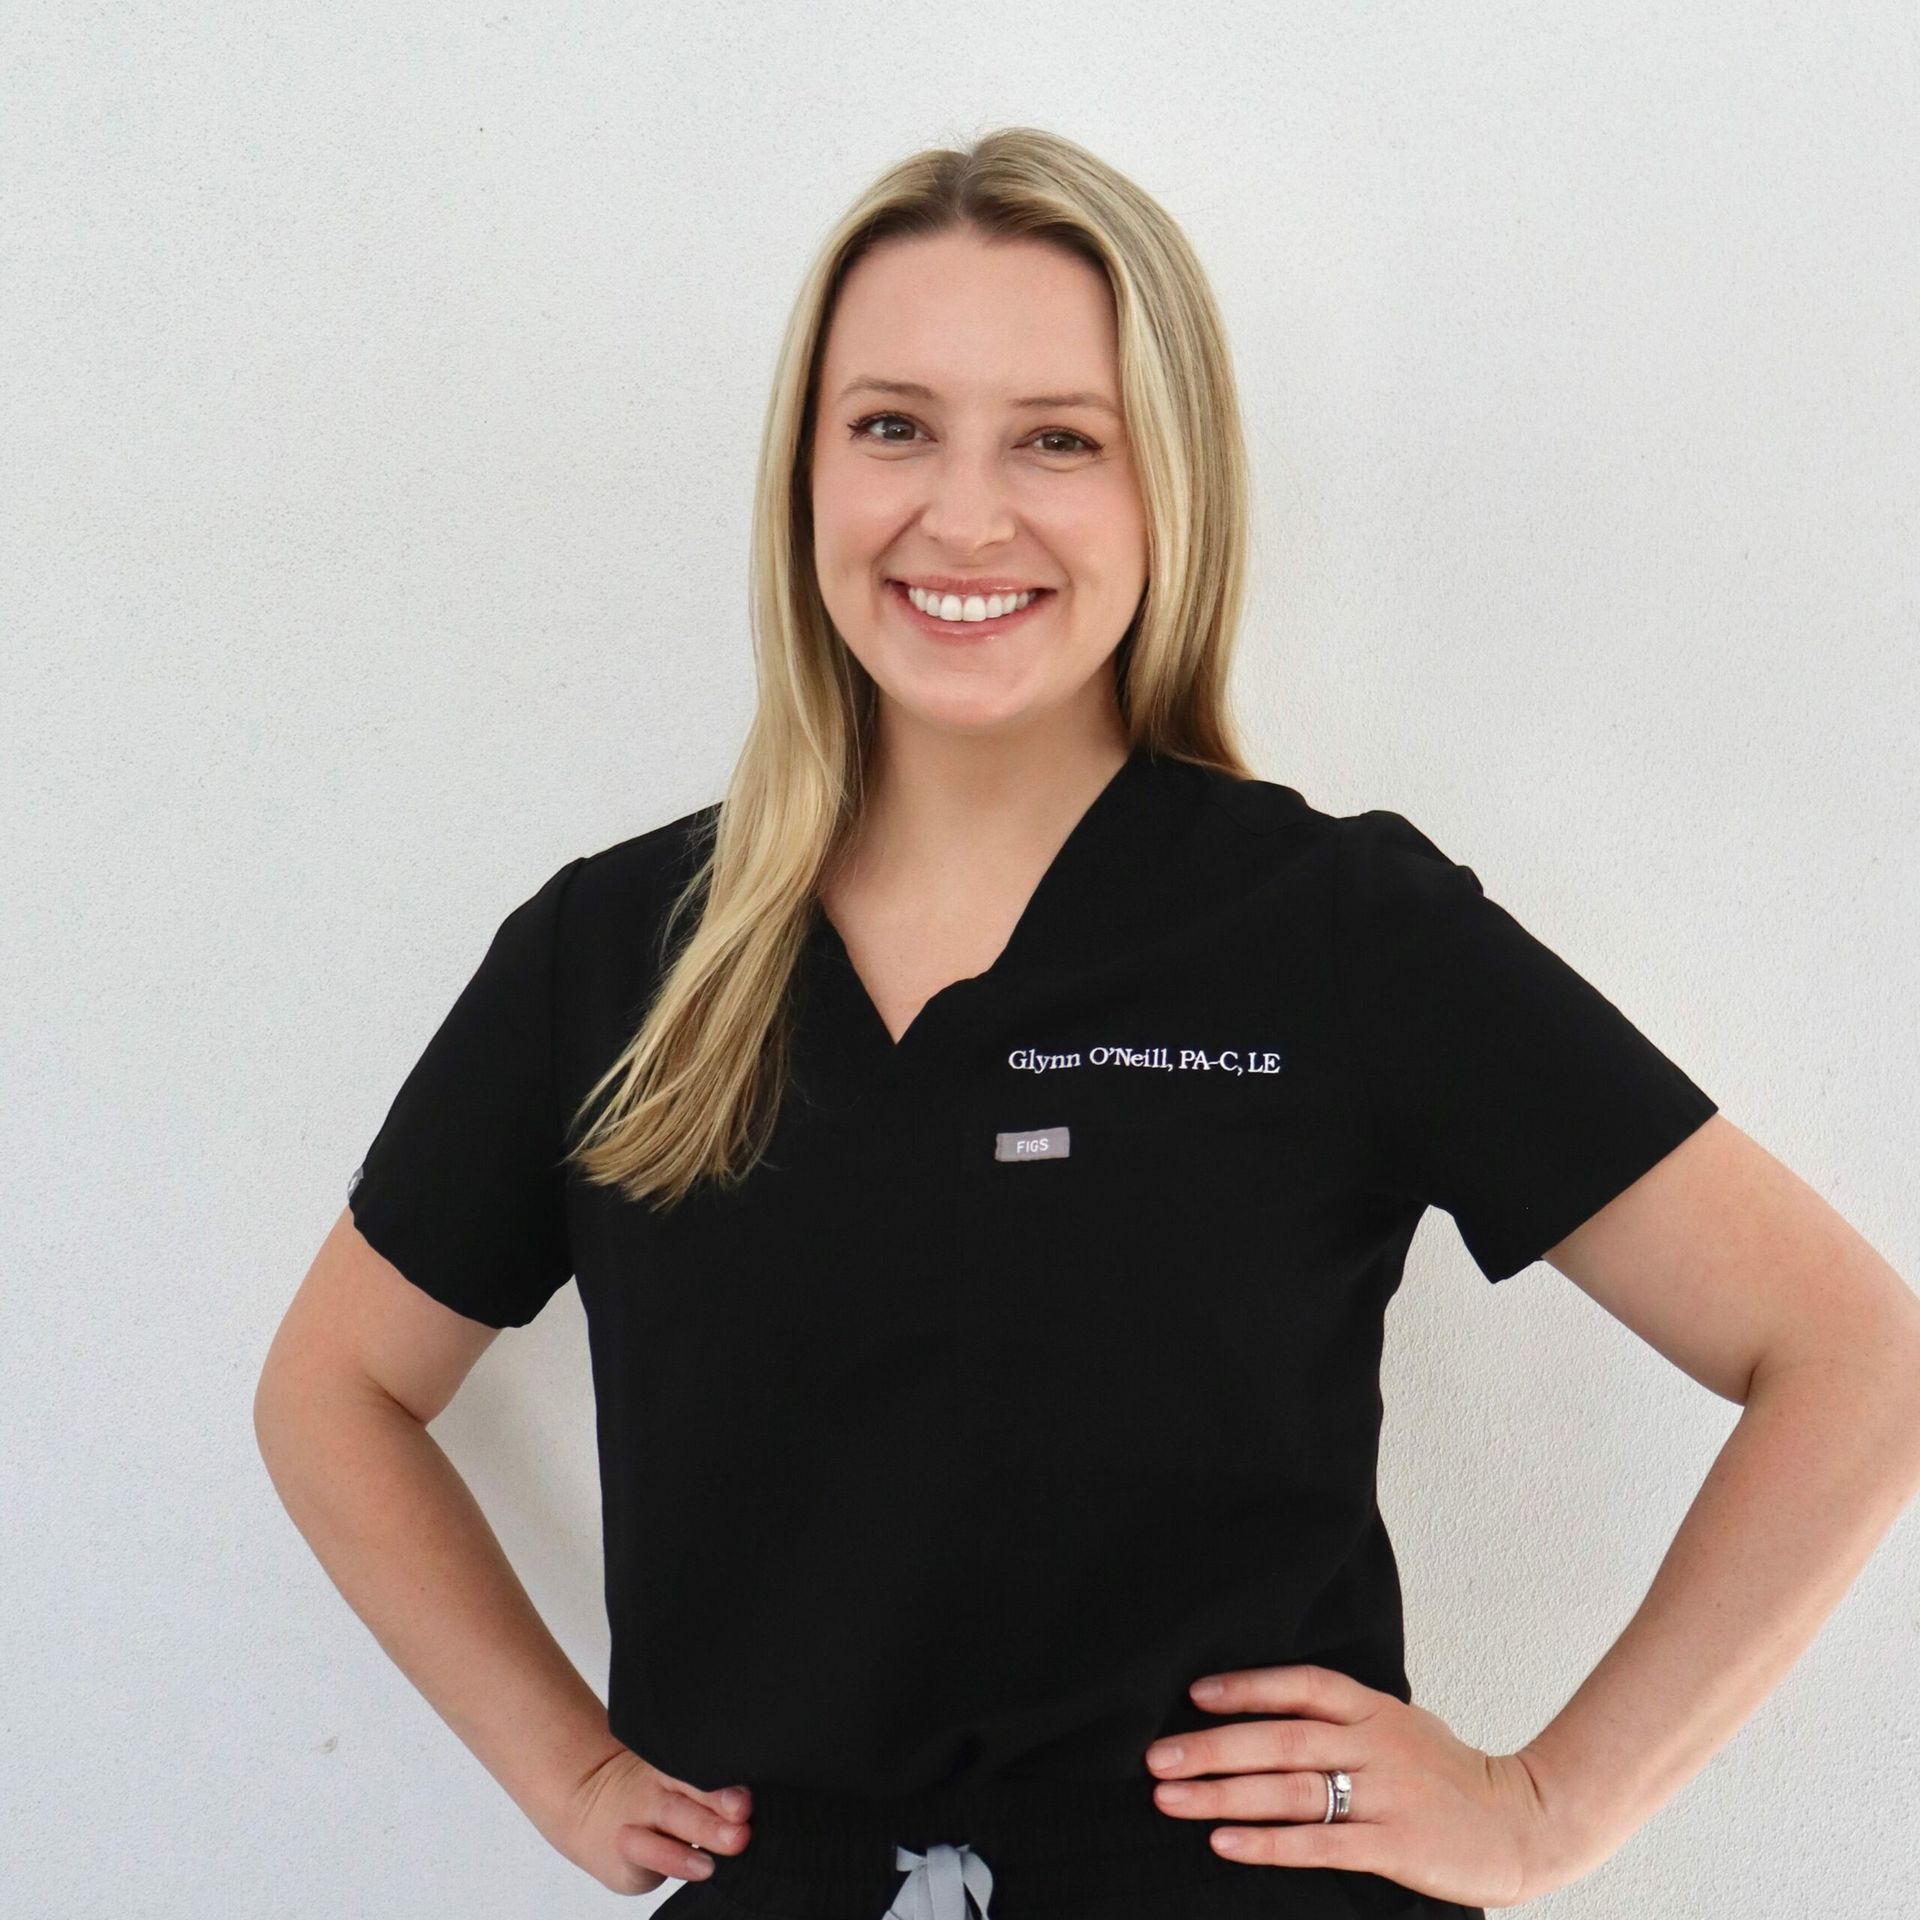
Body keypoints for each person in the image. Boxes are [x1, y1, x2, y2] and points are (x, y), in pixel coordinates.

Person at [254, 127, 1920, 1920]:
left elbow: (1855, 1360)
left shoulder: (1336, 932)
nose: (964, 516)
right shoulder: (616, 955)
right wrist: (560, 1762)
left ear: (1167, 488)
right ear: (804, 469)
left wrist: (1544, 1810)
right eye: (892, 425)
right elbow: (333, 1391)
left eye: (1060, 438)